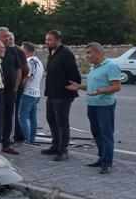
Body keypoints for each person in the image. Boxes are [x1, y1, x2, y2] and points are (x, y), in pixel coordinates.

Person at [67, 42, 122, 174]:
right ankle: (101, 158)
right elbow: (92, 85)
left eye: (89, 53)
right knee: (97, 133)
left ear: (98, 52)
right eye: (86, 53)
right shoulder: (94, 67)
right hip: (92, 104)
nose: (87, 56)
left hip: (105, 106)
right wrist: (79, 86)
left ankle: (107, 163)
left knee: (106, 134)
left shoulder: (111, 66)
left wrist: (101, 92)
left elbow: (117, 87)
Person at [42, 30, 81, 162]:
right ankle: (55, 145)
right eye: (46, 40)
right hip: (52, 94)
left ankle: (63, 150)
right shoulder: (52, 52)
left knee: (62, 122)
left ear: (58, 40)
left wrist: (72, 86)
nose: (47, 42)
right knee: (51, 119)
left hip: (63, 95)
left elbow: (75, 75)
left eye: (50, 40)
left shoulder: (65, 54)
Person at [0, 27, 22, 155]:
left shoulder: (12, 51)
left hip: (9, 92)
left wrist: (15, 88)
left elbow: (18, 70)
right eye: (5, 36)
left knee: (8, 119)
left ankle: (5, 144)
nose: (8, 39)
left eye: (9, 36)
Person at [18, 42, 43, 145]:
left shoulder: (28, 62)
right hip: (36, 93)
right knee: (33, 118)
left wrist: (20, 89)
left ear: (26, 50)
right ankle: (32, 138)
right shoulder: (39, 62)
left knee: (22, 116)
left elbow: (26, 79)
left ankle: (27, 139)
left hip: (28, 92)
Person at [9, 32, 30, 142]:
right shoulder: (5, 50)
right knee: (14, 111)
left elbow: (25, 69)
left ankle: (16, 134)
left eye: (10, 37)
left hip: (15, 87)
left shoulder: (18, 52)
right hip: (11, 86)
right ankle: (17, 134)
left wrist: (21, 80)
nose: (8, 39)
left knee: (14, 111)